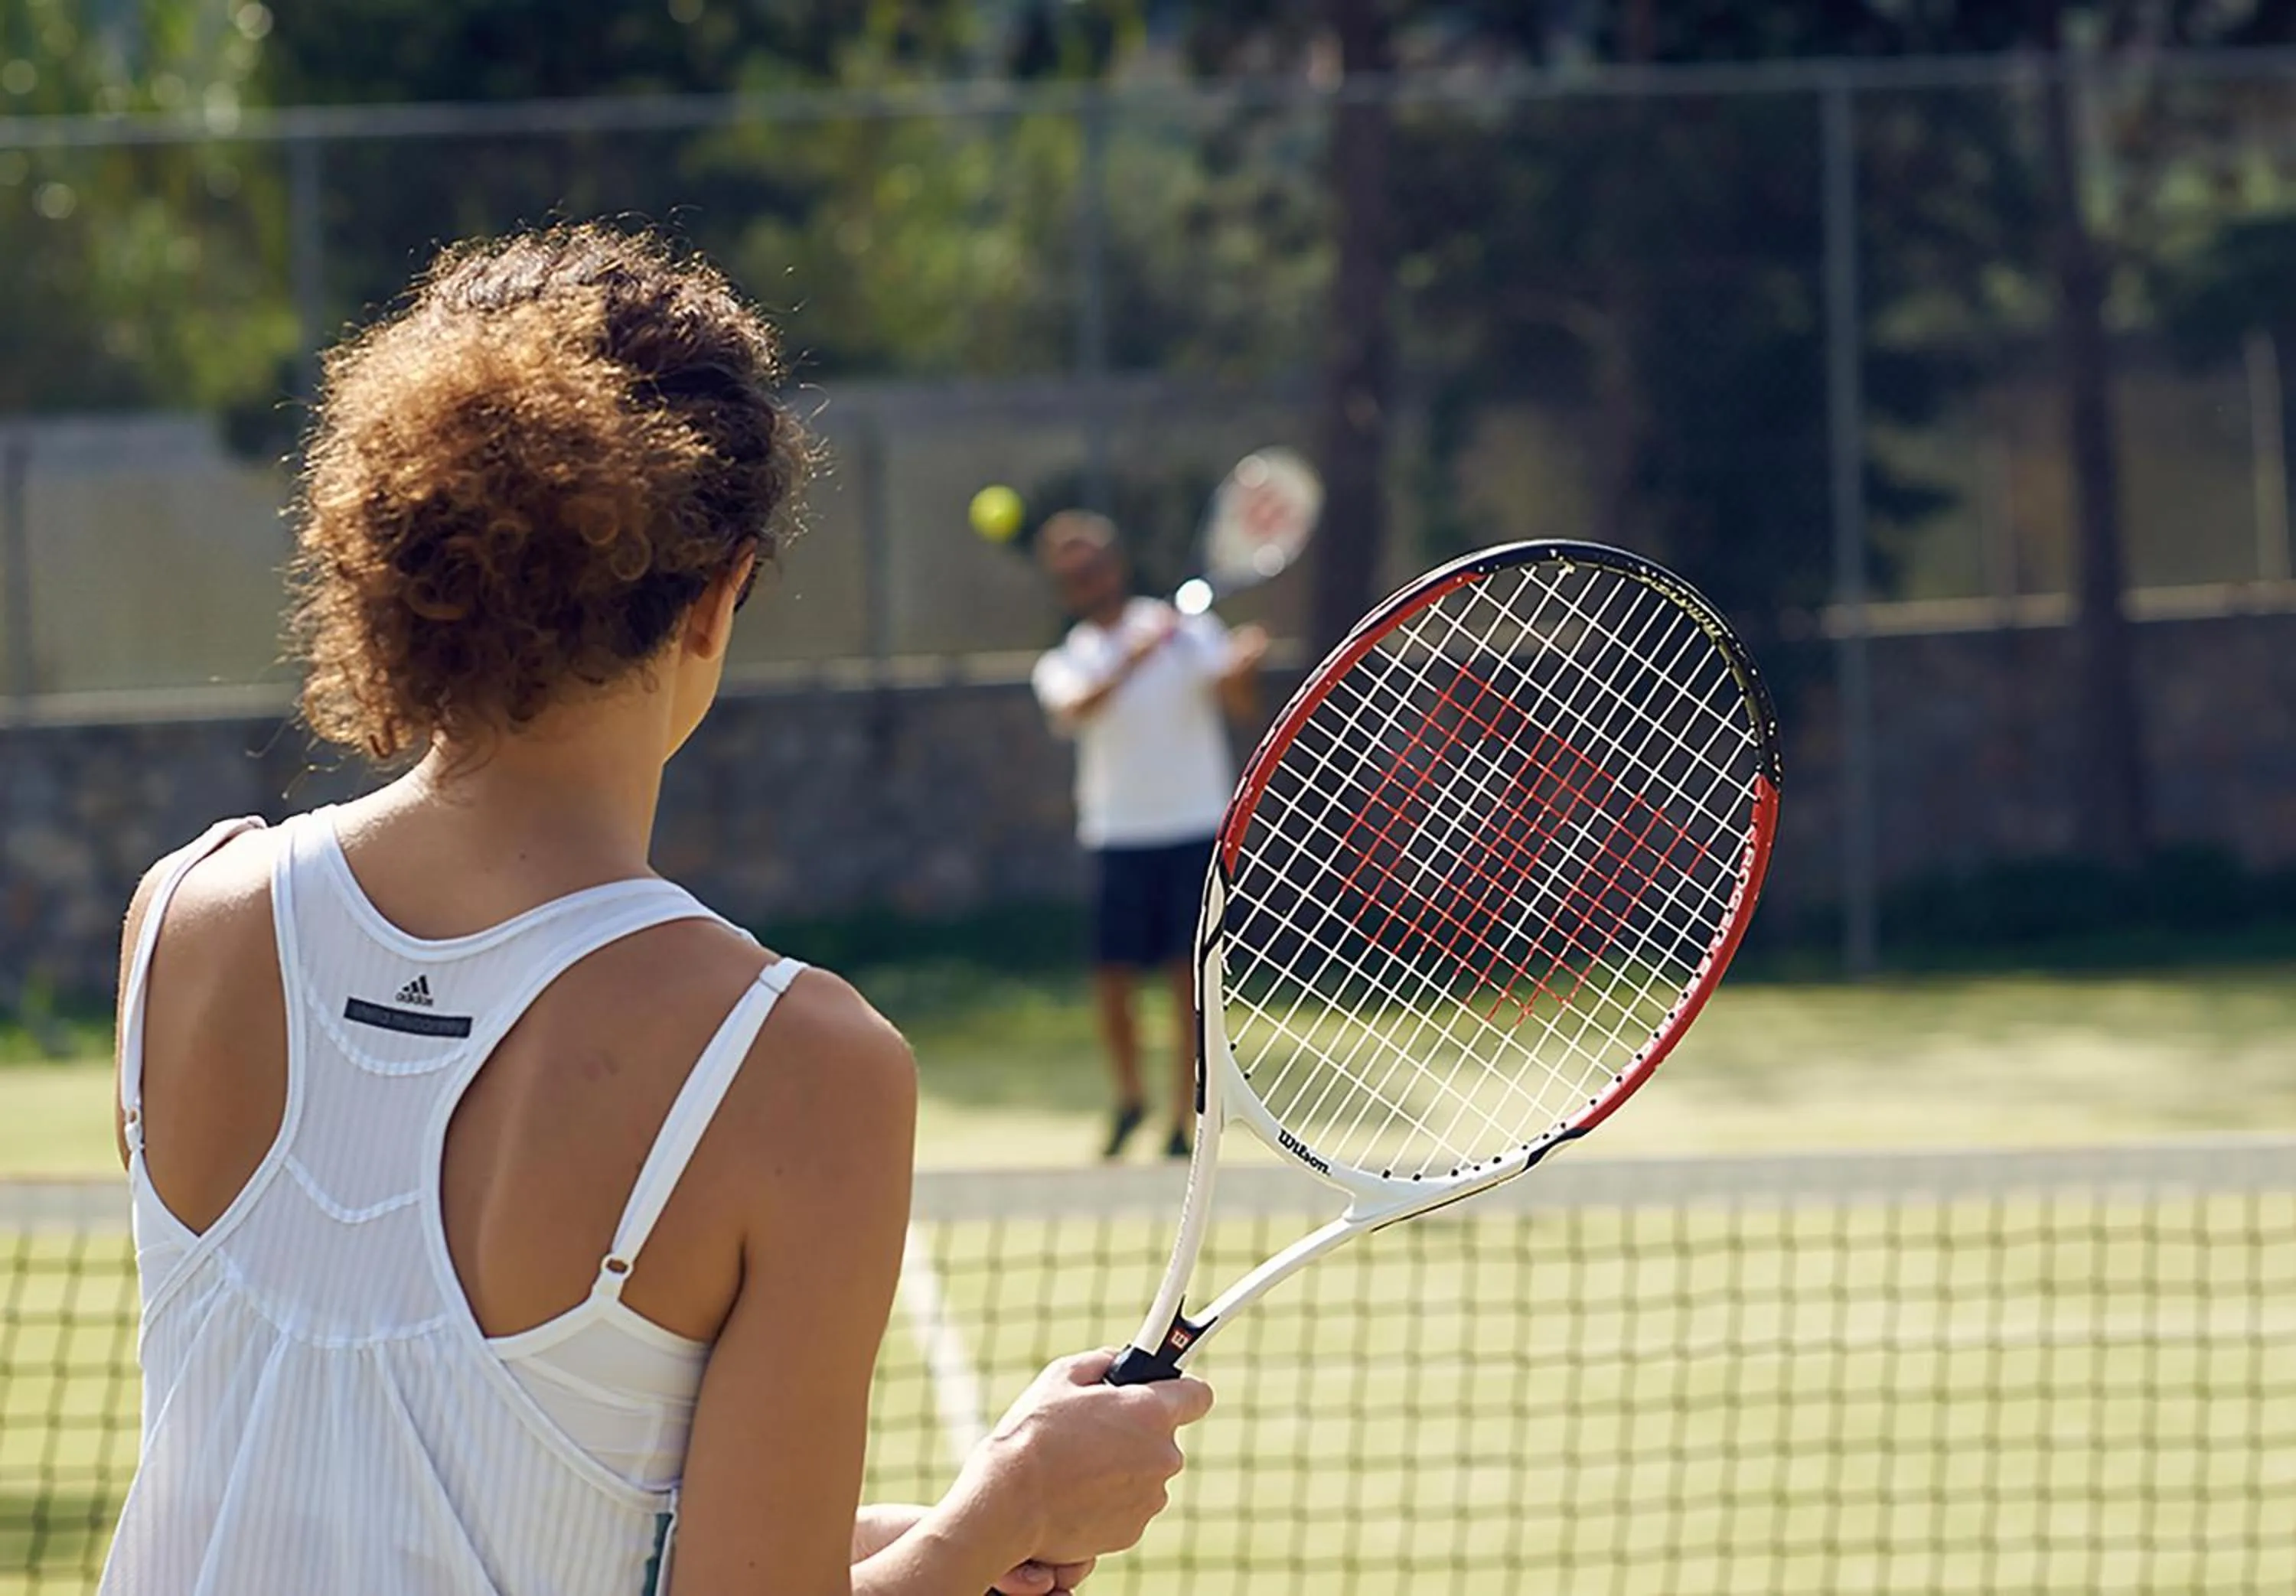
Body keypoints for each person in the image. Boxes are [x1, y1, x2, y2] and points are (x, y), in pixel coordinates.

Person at [101, 224, 1209, 1596]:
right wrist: (1012, 1504)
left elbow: (399, 1497)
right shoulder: (802, 1065)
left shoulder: (183, 917)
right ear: (720, 592)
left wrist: (948, 1524)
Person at [1028, 513, 1267, 1161]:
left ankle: (1182, 1118)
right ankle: (1128, 1099)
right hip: (1118, 835)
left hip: (1195, 830)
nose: (1085, 579)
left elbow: (1236, 703)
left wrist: (1243, 666)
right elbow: (1074, 711)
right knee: (1113, 978)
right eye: (1070, 573)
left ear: (1115, 567)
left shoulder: (1189, 631)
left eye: (1092, 566)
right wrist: (1130, 660)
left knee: (1189, 978)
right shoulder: (1067, 658)